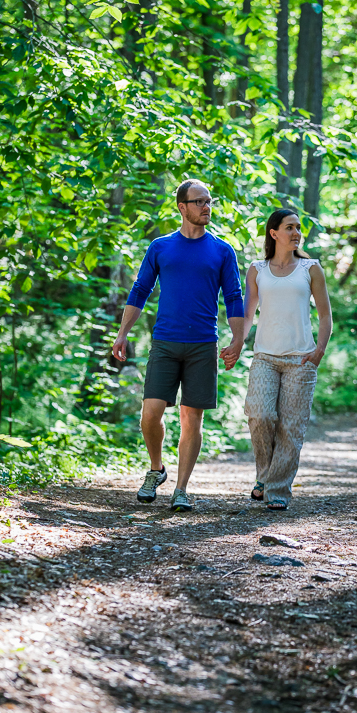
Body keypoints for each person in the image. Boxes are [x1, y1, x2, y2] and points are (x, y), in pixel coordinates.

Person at [112, 179, 244, 512]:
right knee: (150, 414)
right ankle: (156, 469)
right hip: (166, 342)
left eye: (209, 201)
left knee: (191, 418)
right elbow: (140, 291)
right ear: (182, 207)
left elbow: (234, 297)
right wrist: (122, 333)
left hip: (203, 345)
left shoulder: (222, 250)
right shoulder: (160, 247)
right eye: (199, 201)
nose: (206, 207)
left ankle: (181, 489)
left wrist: (238, 339)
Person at [242, 209, 332, 511]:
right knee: (260, 414)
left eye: (298, 228)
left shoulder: (310, 268)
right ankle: (265, 475)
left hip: (301, 359)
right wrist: (236, 342)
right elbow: (248, 314)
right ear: (274, 233)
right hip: (265, 356)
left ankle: (277, 492)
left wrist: (319, 350)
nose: (296, 233)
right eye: (289, 227)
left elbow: (325, 314)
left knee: (291, 428)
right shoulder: (257, 269)